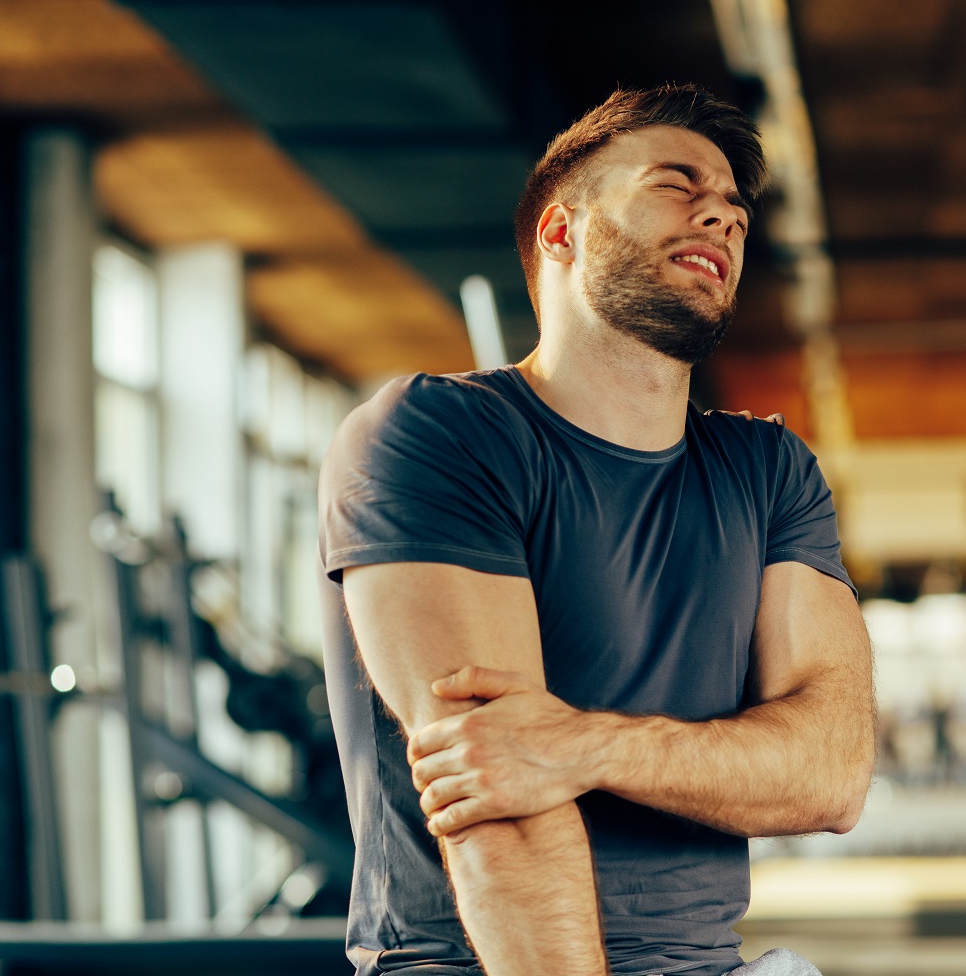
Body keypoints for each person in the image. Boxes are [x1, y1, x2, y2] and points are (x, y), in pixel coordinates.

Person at [317, 84, 875, 976]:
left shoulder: (769, 471)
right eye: (674, 183)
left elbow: (833, 771)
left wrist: (589, 745)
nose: (721, 216)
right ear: (560, 232)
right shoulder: (435, 435)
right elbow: (500, 797)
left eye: (734, 206)